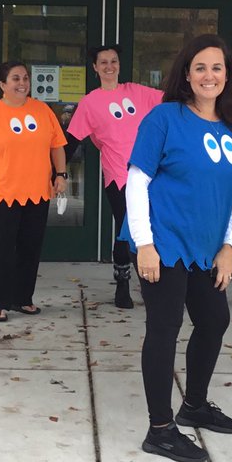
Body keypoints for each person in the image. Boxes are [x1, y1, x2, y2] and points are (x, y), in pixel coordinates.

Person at [125, 34, 232, 462]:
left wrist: (229, 246)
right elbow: (137, 180)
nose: (209, 75)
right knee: (164, 327)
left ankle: (194, 404)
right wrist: (144, 244)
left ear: (227, 75)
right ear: (186, 73)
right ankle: (160, 429)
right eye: (200, 67)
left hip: (206, 247)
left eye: (217, 67)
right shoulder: (165, 118)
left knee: (214, 319)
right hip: (162, 242)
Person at [0, 61, 67, 323]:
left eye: (25, 77)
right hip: (3, 192)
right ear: (3, 85)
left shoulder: (43, 110)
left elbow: (57, 145)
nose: (22, 83)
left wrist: (61, 174)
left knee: (30, 247)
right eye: (15, 78)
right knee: (1, 249)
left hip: (37, 191)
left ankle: (22, 298)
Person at [65, 44, 163, 308]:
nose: (109, 66)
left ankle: (153, 283)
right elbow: (71, 139)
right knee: (127, 229)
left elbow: (172, 100)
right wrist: (57, 171)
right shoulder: (90, 102)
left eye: (114, 61)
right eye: (103, 62)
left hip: (151, 175)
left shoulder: (138, 92)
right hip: (118, 177)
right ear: (95, 68)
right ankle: (123, 284)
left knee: (156, 229)